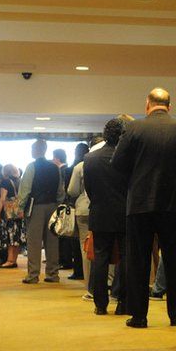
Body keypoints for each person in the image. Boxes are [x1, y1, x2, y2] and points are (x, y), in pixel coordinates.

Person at [112, 88, 176, 327]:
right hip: (174, 204)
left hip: (139, 203)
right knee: (175, 259)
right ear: (170, 106)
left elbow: (117, 164)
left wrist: (136, 177)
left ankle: (138, 315)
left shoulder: (134, 128)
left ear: (147, 105)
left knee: (138, 260)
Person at [85, 118, 131, 315]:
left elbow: (89, 189)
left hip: (100, 213)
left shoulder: (90, 159)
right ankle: (123, 302)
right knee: (126, 259)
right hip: (125, 214)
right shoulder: (129, 159)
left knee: (100, 259)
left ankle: (100, 304)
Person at [17, 139, 65, 283]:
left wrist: (20, 207)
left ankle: (33, 275)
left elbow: (25, 189)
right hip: (52, 206)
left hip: (35, 207)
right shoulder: (55, 167)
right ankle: (52, 274)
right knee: (52, 242)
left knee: (34, 242)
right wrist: (57, 203)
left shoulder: (31, 167)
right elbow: (60, 190)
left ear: (36, 150)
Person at [68, 139, 96, 291]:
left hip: (83, 208)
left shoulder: (80, 166)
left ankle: (89, 285)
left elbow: (72, 190)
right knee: (107, 246)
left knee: (86, 246)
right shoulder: (111, 161)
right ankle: (109, 282)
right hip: (104, 209)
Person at [0, 164, 24, 268]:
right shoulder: (20, 181)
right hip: (19, 213)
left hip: (9, 213)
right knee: (16, 237)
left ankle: (10, 260)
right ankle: (14, 260)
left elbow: (2, 199)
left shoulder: (5, 182)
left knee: (10, 237)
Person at [52, 148, 75, 273]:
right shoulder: (66, 169)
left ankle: (64, 260)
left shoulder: (63, 170)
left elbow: (62, 189)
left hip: (64, 205)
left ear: (57, 158)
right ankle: (62, 259)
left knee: (63, 232)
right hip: (68, 204)